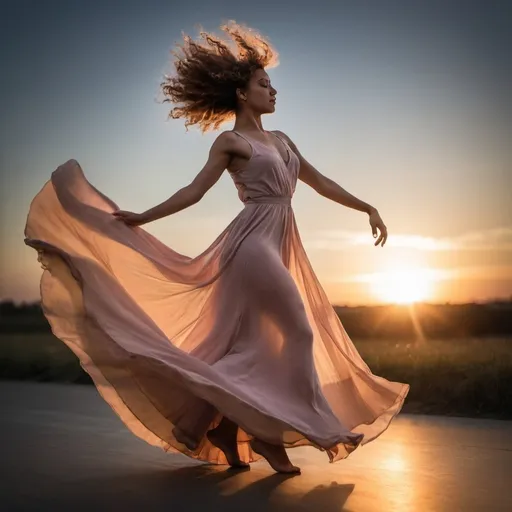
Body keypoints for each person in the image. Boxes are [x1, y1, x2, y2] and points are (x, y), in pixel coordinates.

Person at [24, 21, 409, 475]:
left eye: (272, 83)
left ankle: (227, 427)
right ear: (242, 95)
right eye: (264, 84)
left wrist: (368, 207)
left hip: (281, 239)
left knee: (262, 344)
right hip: (251, 246)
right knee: (301, 332)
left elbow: (320, 182)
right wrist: (142, 217)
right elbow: (194, 191)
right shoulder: (231, 142)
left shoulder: (283, 141)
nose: (273, 90)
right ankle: (292, 432)